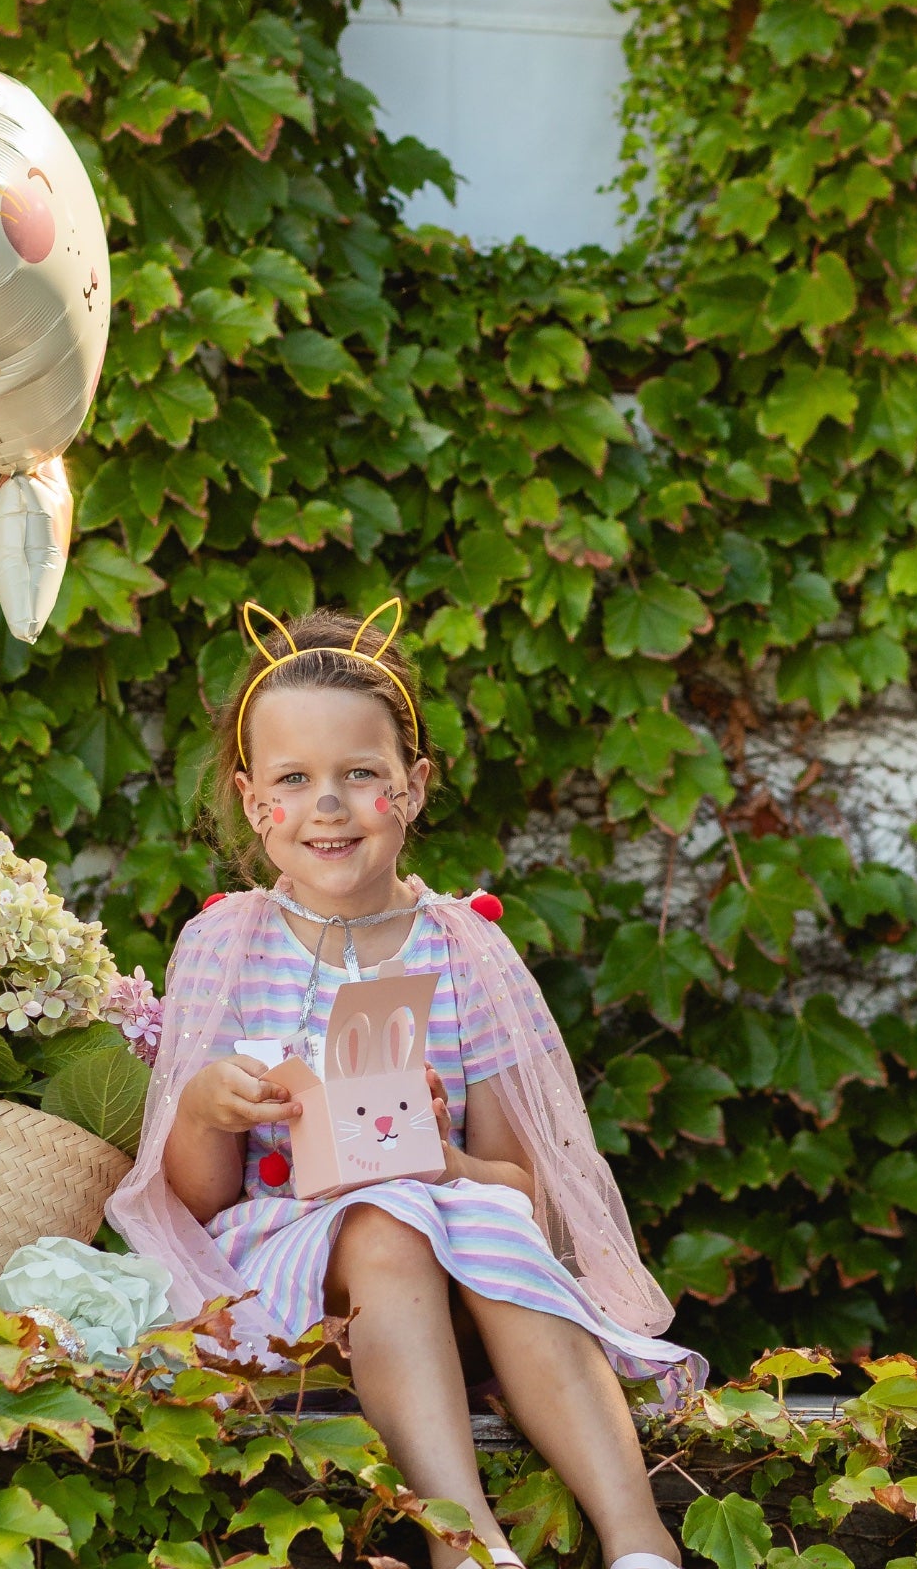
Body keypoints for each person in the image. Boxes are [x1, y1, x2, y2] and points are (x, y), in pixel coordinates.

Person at [109, 601, 701, 1569]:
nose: (327, 806)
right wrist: (208, 1106)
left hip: (465, 1286)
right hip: (285, 1279)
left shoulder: (462, 946)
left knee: (456, 1211)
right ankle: (463, 1542)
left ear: (413, 787)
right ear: (251, 798)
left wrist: (448, 1153)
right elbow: (198, 1199)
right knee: (383, 1222)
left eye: (359, 776)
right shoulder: (224, 942)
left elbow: (527, 1190)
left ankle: (639, 1540)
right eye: (293, 779)